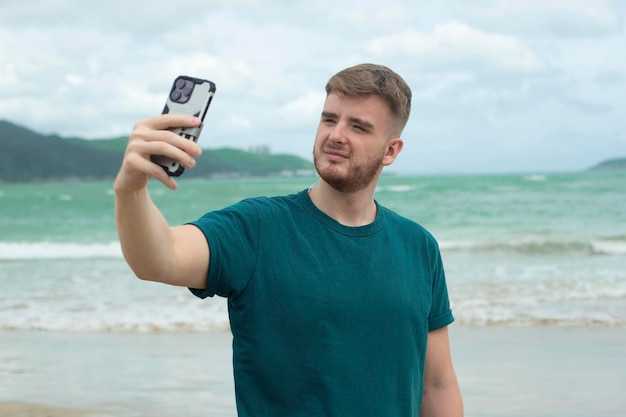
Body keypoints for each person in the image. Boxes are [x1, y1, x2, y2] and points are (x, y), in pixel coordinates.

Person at [114, 63, 463, 416]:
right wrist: (130, 189)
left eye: (358, 127)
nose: (336, 135)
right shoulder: (257, 228)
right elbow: (159, 258)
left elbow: (437, 382)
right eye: (329, 120)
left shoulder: (419, 246)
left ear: (391, 151)